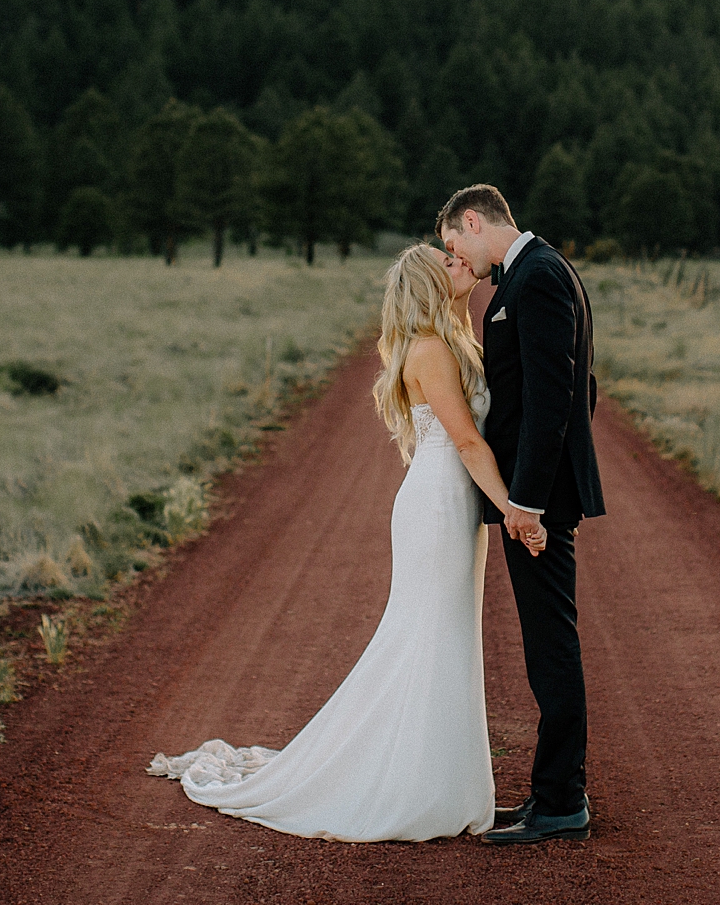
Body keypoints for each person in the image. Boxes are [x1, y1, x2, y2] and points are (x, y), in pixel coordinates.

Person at [148, 242, 542, 841]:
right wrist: (513, 509)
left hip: (453, 507)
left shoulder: (453, 336)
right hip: (437, 505)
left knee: (446, 637)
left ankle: (437, 778)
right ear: (431, 286)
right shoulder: (432, 349)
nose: (461, 262)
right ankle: (411, 785)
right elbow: (466, 441)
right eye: (450, 264)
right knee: (425, 636)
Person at [437, 183, 604, 845]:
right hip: (542, 492)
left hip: (540, 502)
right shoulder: (535, 272)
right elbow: (574, 389)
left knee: (550, 643)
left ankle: (561, 800)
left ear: (473, 222)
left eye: (455, 245)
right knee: (546, 641)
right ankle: (550, 795)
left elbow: (555, 394)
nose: (458, 259)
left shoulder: (536, 278)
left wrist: (528, 499)